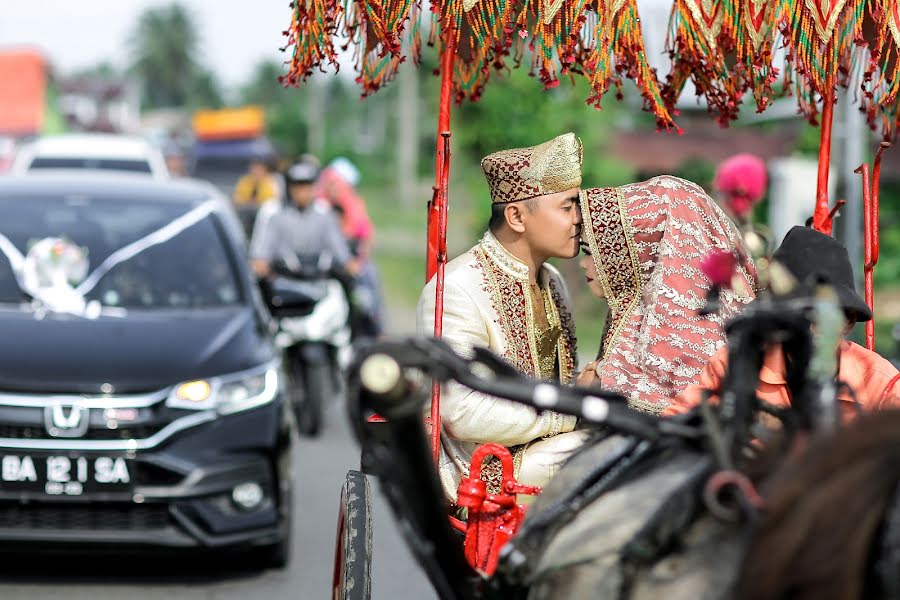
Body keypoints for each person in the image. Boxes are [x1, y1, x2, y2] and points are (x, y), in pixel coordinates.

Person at [417, 132, 586, 501]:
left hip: (550, 446)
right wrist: (568, 411)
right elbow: (460, 412)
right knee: (603, 451)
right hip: (484, 469)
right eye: (567, 207)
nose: (580, 219)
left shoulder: (553, 282)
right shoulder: (458, 287)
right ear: (516, 216)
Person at [664, 226, 900, 418]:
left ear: (848, 323)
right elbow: (678, 431)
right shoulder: (735, 363)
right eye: (800, 316)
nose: (808, 329)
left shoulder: (880, 383)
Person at [574, 176, 758, 414]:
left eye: (592, 252)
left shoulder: (690, 335)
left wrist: (596, 387)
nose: (583, 264)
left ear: (639, 256)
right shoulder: (635, 313)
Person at [249, 160, 357, 279]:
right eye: (297, 186)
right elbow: (263, 252)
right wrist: (261, 263)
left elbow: (338, 247)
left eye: (306, 186)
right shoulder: (277, 217)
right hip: (286, 280)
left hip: (321, 279)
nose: (302, 192)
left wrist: (349, 264)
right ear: (290, 188)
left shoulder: (325, 216)